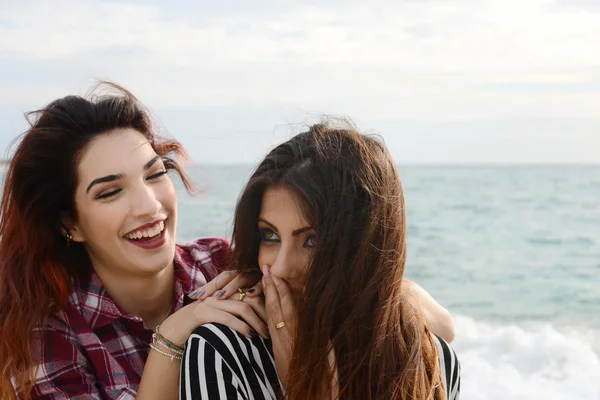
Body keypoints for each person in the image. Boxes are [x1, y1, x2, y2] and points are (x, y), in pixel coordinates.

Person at [0, 83, 268, 400]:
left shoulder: (228, 264)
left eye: (154, 174)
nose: (149, 206)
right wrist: (170, 339)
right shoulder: (48, 335)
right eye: (110, 192)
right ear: (70, 223)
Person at [181, 122, 461, 399]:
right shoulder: (222, 353)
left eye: (312, 240)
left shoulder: (432, 361)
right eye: (270, 235)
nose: (279, 267)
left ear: (365, 247)